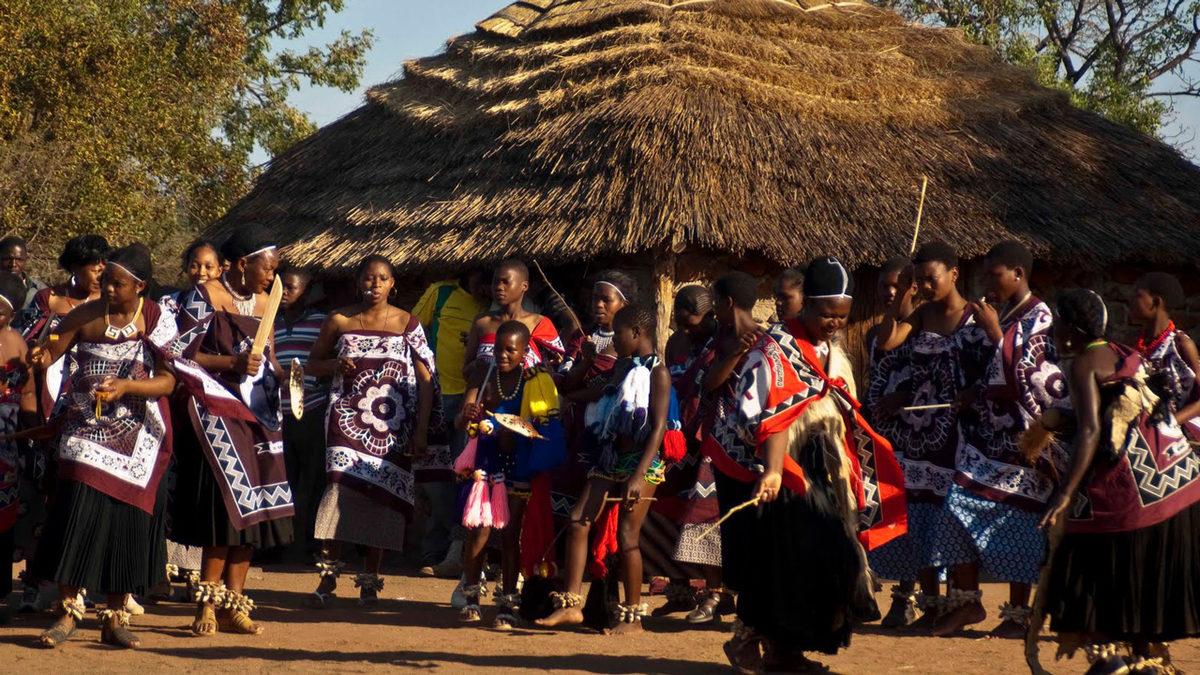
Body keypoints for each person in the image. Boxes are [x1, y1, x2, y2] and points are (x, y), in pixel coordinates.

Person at [701, 266, 905, 673]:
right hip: (774, 465)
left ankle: (784, 652)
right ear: (808, 305)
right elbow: (772, 415)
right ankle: (757, 644)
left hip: (819, 463)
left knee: (821, 555)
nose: (834, 323)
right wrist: (774, 470)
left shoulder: (831, 349)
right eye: (827, 313)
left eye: (842, 316)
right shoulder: (776, 348)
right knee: (785, 558)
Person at [1039, 289, 1200, 672]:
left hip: (1138, 487)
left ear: (1072, 328)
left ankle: (1112, 656)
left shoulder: (1082, 364)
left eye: (1058, 320)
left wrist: (1065, 491)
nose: (1054, 327)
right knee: (1136, 568)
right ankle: (1142, 657)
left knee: (1085, 544)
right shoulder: (1120, 350)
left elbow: (1093, 430)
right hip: (1177, 480)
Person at [30, 245, 177, 649]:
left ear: (140, 286)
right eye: (105, 279)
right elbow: (52, 350)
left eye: (118, 282)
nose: (108, 287)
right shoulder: (81, 315)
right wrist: (41, 355)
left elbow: (168, 381)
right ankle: (66, 612)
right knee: (75, 510)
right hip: (84, 427)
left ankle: (113, 618)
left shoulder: (158, 320)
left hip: (138, 436)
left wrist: (129, 386)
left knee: (124, 524)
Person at [935, 241, 1069, 637]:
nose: (987, 282)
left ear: (1018, 274)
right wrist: (970, 391)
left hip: (1023, 443)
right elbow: (981, 370)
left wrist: (996, 334)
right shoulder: (998, 314)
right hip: (984, 442)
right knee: (953, 511)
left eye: (994, 275)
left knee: (1019, 524)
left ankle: (1017, 615)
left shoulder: (1041, 318)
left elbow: (1040, 382)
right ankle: (969, 602)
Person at [169, 229, 294, 637]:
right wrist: (230, 364)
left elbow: (268, 355)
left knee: (256, 509)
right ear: (243, 264)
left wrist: (285, 374)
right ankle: (207, 602)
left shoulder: (265, 303)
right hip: (214, 408)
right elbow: (178, 353)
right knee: (226, 507)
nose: (272, 275)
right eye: (268, 267)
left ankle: (233, 604)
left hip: (259, 412)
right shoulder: (204, 296)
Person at [303, 255, 444, 608]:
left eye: (382, 279)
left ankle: (369, 580)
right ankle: (328, 576)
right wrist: (334, 364)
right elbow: (312, 364)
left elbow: (427, 380)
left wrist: (422, 430)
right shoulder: (339, 321)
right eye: (368, 278)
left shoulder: (408, 323)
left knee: (382, 500)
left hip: (392, 428)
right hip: (346, 420)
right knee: (338, 491)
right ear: (357, 282)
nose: (374, 285)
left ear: (392, 283)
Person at [536, 305, 677, 634]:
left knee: (628, 536)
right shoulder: (626, 365)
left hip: (644, 460)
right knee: (577, 520)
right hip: (612, 453)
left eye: (619, 334)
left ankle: (633, 618)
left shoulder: (659, 372)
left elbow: (657, 427)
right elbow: (604, 391)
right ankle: (571, 605)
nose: (615, 340)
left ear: (637, 334)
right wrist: (567, 394)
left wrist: (639, 476)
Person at [874, 241, 977, 632]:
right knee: (920, 514)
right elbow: (886, 341)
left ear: (954, 273)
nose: (926, 287)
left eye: (930, 279)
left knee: (948, 516)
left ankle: (959, 603)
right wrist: (900, 296)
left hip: (958, 434)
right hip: (918, 435)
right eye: (920, 281)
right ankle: (930, 604)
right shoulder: (922, 313)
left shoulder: (975, 318)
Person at [455, 320, 565, 627]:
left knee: (509, 535)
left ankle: (506, 604)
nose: (502, 355)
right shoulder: (484, 377)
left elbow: (527, 433)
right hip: (485, 466)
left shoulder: (531, 382)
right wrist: (469, 415)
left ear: (524, 351)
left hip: (515, 467)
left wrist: (500, 419)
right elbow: (460, 424)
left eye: (510, 350)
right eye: (498, 349)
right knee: (478, 532)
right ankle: (473, 597)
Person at [653, 285, 727, 623]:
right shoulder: (679, 343)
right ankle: (679, 589)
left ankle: (715, 594)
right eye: (681, 323)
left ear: (711, 316)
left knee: (706, 514)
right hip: (678, 439)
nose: (686, 329)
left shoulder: (725, 344)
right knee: (666, 506)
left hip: (712, 440)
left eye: (693, 322)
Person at [862, 256, 928, 628]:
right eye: (884, 286)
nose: (888, 292)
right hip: (883, 436)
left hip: (920, 435)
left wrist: (904, 397)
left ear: (914, 287)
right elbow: (883, 349)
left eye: (896, 285)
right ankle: (872, 592)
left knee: (913, 515)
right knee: (881, 512)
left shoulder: (926, 327)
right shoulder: (877, 333)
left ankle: (908, 596)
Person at [411, 269, 489, 577]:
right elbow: (412, 331)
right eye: (481, 278)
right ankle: (433, 550)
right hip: (437, 396)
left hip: (471, 403)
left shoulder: (493, 312)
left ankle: (459, 553)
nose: (485, 286)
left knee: (464, 477)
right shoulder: (441, 292)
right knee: (433, 478)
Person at [274, 265, 329, 559]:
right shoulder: (271, 323)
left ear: (306, 292)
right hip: (279, 413)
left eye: (291, 289)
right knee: (287, 479)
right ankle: (287, 543)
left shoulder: (322, 323)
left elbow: (329, 362)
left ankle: (310, 542)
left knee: (313, 478)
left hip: (312, 410)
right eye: (280, 289)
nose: (283, 295)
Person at [463, 259, 563, 377]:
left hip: (528, 394)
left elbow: (559, 368)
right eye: (495, 282)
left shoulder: (539, 324)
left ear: (524, 286)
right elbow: (466, 372)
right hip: (488, 393)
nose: (499, 287)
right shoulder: (482, 322)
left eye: (506, 282)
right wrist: (480, 366)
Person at [1130, 272, 1200, 439]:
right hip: (1154, 431)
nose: (1130, 300)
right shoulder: (1141, 346)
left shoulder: (1181, 344)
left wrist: (1172, 422)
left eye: (1137, 295)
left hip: (1186, 434)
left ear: (1156, 302)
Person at [0, 273, 33, 621]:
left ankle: (2, 593)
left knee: (4, 519)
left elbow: (27, 389)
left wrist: (31, 423)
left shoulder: (17, 342)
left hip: (7, 444)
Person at [158, 239, 224, 319]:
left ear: (219, 271)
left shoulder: (230, 307)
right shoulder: (170, 303)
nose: (201, 272)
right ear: (186, 267)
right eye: (194, 266)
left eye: (208, 267)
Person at [0, 236, 46, 308]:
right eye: (8, 259)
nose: (13, 264)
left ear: (25, 259)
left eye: (19, 259)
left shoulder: (39, 290)